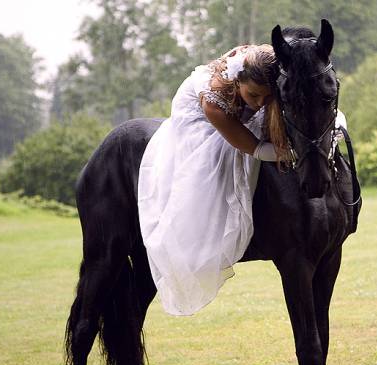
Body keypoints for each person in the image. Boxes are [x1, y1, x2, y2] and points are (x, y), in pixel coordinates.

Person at [138, 44, 345, 316]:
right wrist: (288, 153)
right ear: (239, 82)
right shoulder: (213, 98)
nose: (259, 102)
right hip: (201, 124)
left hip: (244, 98)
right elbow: (254, 148)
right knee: (217, 162)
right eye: (254, 95)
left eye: (266, 97)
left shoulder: (269, 68)